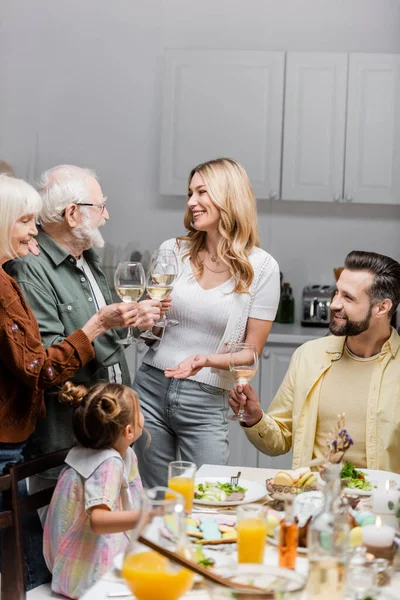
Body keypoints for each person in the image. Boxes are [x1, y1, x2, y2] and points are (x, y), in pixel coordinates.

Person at [0, 174, 141, 589]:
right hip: (21, 433)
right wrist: (95, 326)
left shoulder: (19, 276)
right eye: (26, 220)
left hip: (20, 434)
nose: (34, 231)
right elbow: (39, 369)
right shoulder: (17, 279)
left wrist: (126, 324)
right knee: (25, 564)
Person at [6, 165, 160, 489]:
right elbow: (45, 363)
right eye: (100, 205)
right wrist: (102, 323)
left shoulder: (85, 257)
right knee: (67, 534)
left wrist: (134, 324)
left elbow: (107, 335)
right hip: (69, 441)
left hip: (109, 433)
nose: (106, 214)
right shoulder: (32, 269)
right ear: (73, 214)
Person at [134, 158, 280, 487]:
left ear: (228, 197)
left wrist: (207, 360)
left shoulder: (262, 267)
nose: (191, 202)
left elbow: (251, 354)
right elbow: (154, 330)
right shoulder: (173, 250)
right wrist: (150, 319)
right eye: (190, 193)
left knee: (208, 496)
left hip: (205, 397)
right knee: (158, 499)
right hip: (151, 388)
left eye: (202, 192)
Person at [229, 250, 400, 473]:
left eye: (348, 297)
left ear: (382, 308)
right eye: (336, 293)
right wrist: (255, 418)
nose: (334, 304)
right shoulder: (308, 356)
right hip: (315, 501)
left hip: (383, 504)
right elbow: (279, 440)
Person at [43, 381, 144, 599]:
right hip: (92, 579)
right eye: (140, 411)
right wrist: (148, 517)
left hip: (71, 567)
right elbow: (98, 521)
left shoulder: (102, 451)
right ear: (128, 431)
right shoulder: (109, 464)